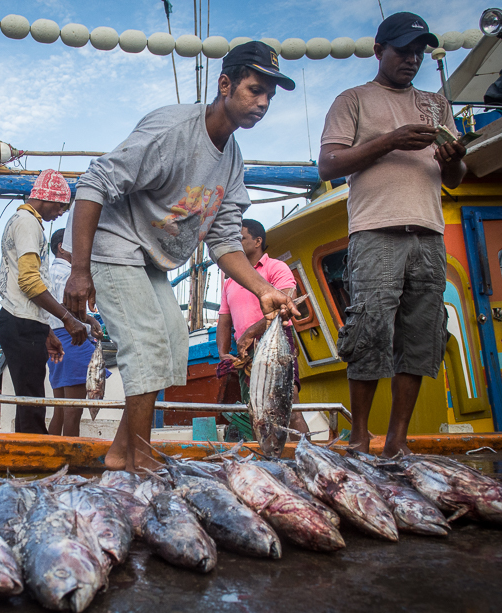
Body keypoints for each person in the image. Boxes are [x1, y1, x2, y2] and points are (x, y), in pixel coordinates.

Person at [64, 41, 299, 471]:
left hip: (152, 257)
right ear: (225, 84)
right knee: (147, 345)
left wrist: (264, 289)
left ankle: (121, 452)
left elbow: (225, 240)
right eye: (255, 89)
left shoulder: (232, 159)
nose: (263, 102)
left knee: (173, 345)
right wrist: (79, 270)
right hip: (113, 242)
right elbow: (94, 182)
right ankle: (137, 456)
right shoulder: (173, 131)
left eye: (270, 95)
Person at [318, 12, 467, 457]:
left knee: (422, 335)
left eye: (418, 52)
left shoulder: (437, 104)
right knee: (368, 331)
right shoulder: (353, 99)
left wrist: (455, 155)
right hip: (375, 232)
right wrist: (391, 140)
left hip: (429, 234)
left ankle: (397, 440)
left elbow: (456, 178)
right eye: (403, 50)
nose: (413, 59)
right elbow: (329, 165)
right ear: (379, 50)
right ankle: (361, 435)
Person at [0, 169, 98, 434]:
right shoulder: (28, 224)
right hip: (20, 322)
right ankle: (33, 468)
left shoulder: (21, 221)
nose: (61, 213)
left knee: (31, 401)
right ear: (49, 199)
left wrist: (46, 330)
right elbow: (29, 282)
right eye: (61, 207)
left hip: (24, 321)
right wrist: (68, 319)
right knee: (32, 405)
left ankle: (28, 465)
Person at [216, 219, 308, 433]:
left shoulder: (276, 267)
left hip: (276, 343)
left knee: (290, 404)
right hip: (246, 351)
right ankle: (268, 458)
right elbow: (224, 319)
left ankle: (307, 457)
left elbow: (286, 302)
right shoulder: (230, 281)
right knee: (255, 411)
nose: (237, 243)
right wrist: (222, 352)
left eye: (242, 238)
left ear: (258, 241)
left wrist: (251, 332)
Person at [45, 229, 108, 437]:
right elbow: (70, 308)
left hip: (55, 341)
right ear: (62, 247)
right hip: (74, 341)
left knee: (60, 411)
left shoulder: (47, 273)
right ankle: (70, 463)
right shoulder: (67, 274)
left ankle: (53, 457)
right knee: (74, 412)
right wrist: (90, 321)